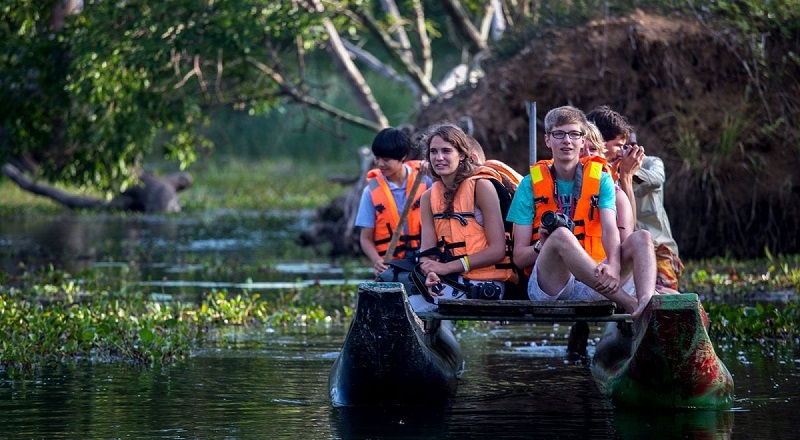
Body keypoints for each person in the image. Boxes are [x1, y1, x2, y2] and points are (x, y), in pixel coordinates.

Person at [507, 105, 657, 319]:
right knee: (560, 235)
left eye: (573, 134)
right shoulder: (529, 185)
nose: (566, 140)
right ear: (548, 140)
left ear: (582, 139)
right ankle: (632, 306)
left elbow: (609, 229)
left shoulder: (602, 180)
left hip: (598, 281)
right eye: (558, 134)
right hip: (551, 288)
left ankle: (646, 305)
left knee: (642, 237)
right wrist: (542, 244)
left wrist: (613, 265)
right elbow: (520, 258)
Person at [586, 106, 684, 290]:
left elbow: (656, 180)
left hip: (657, 247)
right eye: (622, 146)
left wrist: (627, 174)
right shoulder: (595, 170)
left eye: (630, 146)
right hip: (613, 250)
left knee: (664, 294)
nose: (626, 151)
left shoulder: (650, 162)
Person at [417, 124, 515, 302]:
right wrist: (430, 271)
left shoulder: (482, 186)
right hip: (450, 280)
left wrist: (447, 268)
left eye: (446, 151)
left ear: (462, 155)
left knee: (416, 306)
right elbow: (427, 251)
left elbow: (497, 250)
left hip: (487, 281)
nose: (439, 158)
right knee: (402, 301)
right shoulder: (427, 197)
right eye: (433, 152)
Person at [355, 127, 432, 278]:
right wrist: (377, 261)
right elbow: (365, 238)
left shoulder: (425, 180)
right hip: (392, 263)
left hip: (424, 259)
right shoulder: (370, 191)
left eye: (386, 159)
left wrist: (433, 172)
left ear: (403, 157)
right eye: (377, 158)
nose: (380, 164)